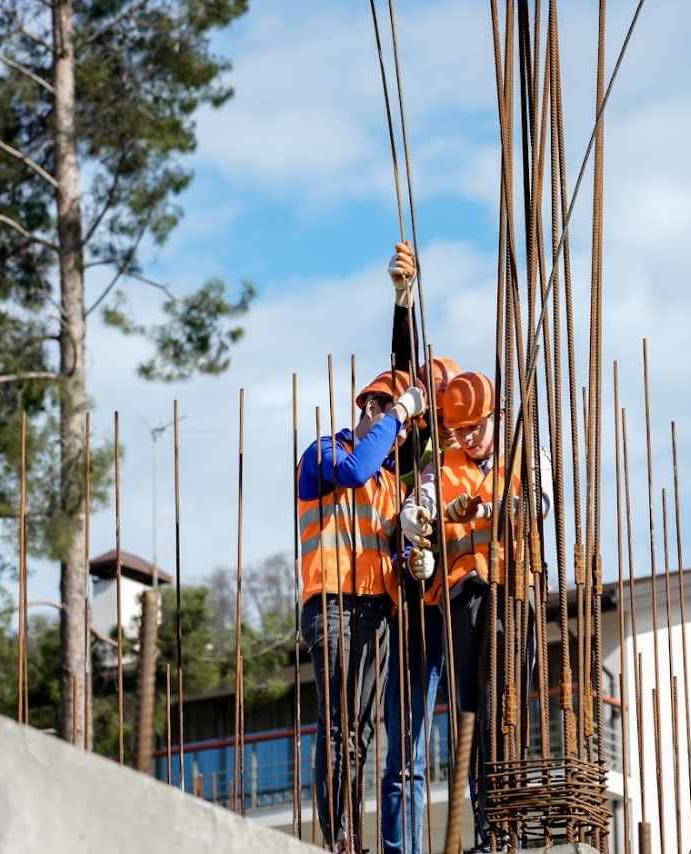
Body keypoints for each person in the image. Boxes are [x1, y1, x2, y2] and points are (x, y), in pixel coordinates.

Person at [399, 370, 549, 851]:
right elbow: (417, 504)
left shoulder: (527, 455)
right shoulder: (442, 466)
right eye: (458, 429)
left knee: (502, 711)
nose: (465, 437)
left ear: (497, 418)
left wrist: (481, 511)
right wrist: (415, 517)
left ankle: (510, 826)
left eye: (473, 428)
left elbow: (537, 506)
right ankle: (489, 831)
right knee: (472, 717)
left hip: (510, 590)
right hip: (462, 596)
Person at [297, 368, 425, 854]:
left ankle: (350, 833)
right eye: (392, 417)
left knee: (363, 728)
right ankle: (340, 839)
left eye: (405, 428)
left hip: (378, 615)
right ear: (369, 408)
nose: (400, 434)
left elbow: (394, 553)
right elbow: (354, 472)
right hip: (332, 606)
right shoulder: (325, 451)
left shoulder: (392, 485)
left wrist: (414, 558)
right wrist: (397, 415)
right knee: (340, 723)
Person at [380, 242, 457, 854]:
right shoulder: (411, 454)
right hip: (414, 607)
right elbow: (405, 372)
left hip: (461, 605)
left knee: (473, 736)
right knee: (404, 747)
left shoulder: (473, 464)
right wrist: (405, 304)